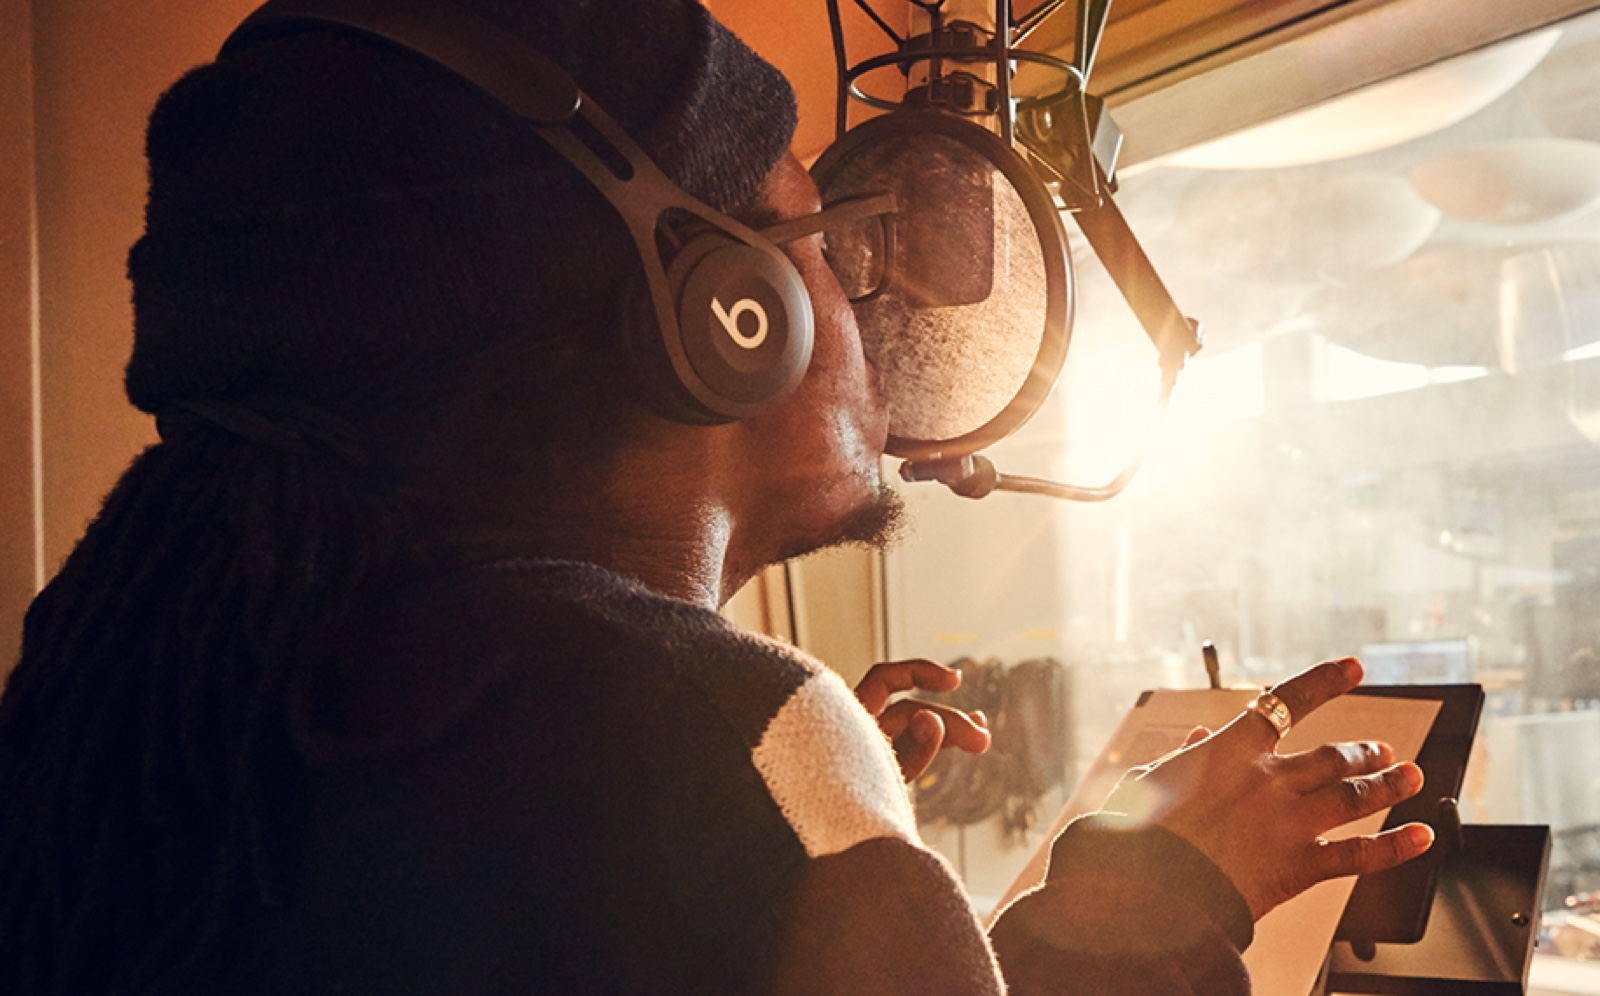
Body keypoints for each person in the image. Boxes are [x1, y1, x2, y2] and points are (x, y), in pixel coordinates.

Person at [0, 1, 1433, 993]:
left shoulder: (172, 676)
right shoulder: (725, 746)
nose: (867, 308)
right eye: (825, 234)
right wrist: (1154, 905)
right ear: (720, 310)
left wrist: (806, 844)